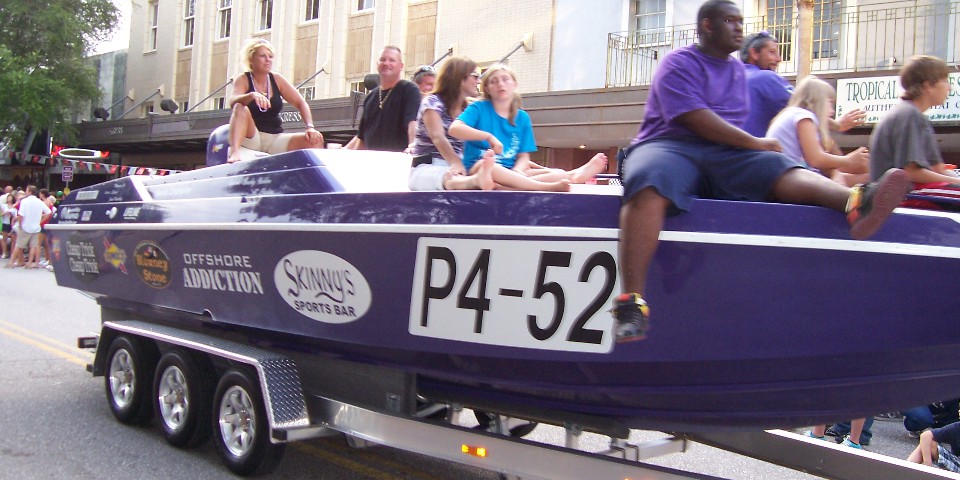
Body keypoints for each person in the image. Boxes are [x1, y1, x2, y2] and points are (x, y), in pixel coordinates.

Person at [612, 0, 909, 343]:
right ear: (707, 25)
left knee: (775, 165)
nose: (739, 27)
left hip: (720, 152)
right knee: (651, 178)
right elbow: (691, 117)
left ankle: (856, 202)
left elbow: (729, 136)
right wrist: (751, 141)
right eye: (730, 20)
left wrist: (753, 150)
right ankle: (631, 304)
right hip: (667, 143)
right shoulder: (677, 62)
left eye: (741, 21)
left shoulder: (738, 73)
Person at [449, 64, 608, 190]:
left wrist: (518, 170)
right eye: (494, 81)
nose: (500, 84)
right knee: (492, 169)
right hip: (481, 166)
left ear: (514, 84)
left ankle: (511, 186)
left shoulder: (522, 117)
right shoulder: (478, 109)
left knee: (558, 173)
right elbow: (455, 128)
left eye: (505, 79)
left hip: (512, 170)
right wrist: (488, 137)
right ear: (487, 89)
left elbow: (524, 157)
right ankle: (547, 186)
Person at [740, 30, 865, 138]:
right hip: (755, 157)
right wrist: (838, 125)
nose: (779, 59)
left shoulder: (732, 78)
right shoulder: (766, 77)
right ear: (754, 53)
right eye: (772, 52)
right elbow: (806, 108)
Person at [226, 38, 323, 163]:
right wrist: (251, 96)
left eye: (270, 56)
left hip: (275, 138)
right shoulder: (242, 79)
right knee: (240, 106)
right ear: (251, 59)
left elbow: (301, 102)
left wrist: (310, 127)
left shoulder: (277, 79)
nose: (268, 60)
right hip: (252, 136)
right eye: (263, 56)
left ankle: (309, 179)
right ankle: (234, 152)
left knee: (315, 139)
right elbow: (233, 101)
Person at [869, 55, 958, 187]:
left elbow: (938, 169)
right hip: (904, 199)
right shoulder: (910, 115)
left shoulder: (908, 113)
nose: (949, 88)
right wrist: (956, 181)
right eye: (945, 81)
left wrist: (954, 178)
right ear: (928, 85)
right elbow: (911, 173)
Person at [408, 57, 495, 191]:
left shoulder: (469, 109)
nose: (479, 81)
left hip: (462, 168)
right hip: (428, 167)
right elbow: (438, 137)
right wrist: (456, 163)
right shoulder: (432, 102)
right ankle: (475, 181)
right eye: (475, 76)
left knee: (494, 175)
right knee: (449, 178)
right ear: (460, 78)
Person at [766, 76, 870, 186]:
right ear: (817, 101)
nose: (832, 111)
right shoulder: (803, 117)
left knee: (866, 179)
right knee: (860, 183)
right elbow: (816, 159)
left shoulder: (792, 114)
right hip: (788, 179)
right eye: (830, 103)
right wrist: (848, 160)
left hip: (790, 176)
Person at [345, 45, 422, 152]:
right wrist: (343, 152)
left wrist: (412, 145)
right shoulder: (370, 97)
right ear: (377, 64)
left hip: (397, 159)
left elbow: (413, 122)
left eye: (392, 60)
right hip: (372, 161)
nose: (386, 63)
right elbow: (362, 138)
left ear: (401, 66)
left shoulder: (409, 89)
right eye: (383, 59)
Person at [9, 185, 51, 269]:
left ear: (30, 192)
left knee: (19, 244)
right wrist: (40, 222)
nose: (25, 192)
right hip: (36, 227)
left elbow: (21, 214)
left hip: (25, 226)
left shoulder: (24, 201)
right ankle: (31, 263)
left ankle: (11, 262)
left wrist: (20, 224)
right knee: (33, 246)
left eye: (27, 190)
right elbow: (49, 212)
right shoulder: (39, 202)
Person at [1, 191, 15, 259]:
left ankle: (12, 253)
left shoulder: (14, 206)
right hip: (5, 222)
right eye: (8, 197)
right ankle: (4, 252)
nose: (9, 198)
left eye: (10, 197)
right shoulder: (3, 205)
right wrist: (5, 213)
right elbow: (1, 214)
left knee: (13, 238)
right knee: (4, 238)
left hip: (12, 223)